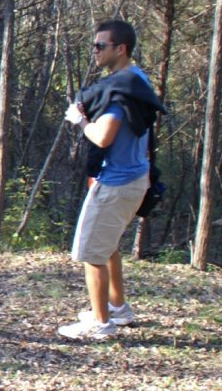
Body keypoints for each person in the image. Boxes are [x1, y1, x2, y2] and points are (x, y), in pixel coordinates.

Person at [58, 20, 165, 340]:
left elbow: (103, 137)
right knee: (108, 246)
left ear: (121, 49)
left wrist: (80, 121)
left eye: (100, 46)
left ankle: (100, 323)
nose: (94, 51)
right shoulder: (137, 80)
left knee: (92, 253)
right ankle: (117, 308)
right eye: (94, 45)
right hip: (134, 178)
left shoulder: (118, 96)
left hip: (117, 183)